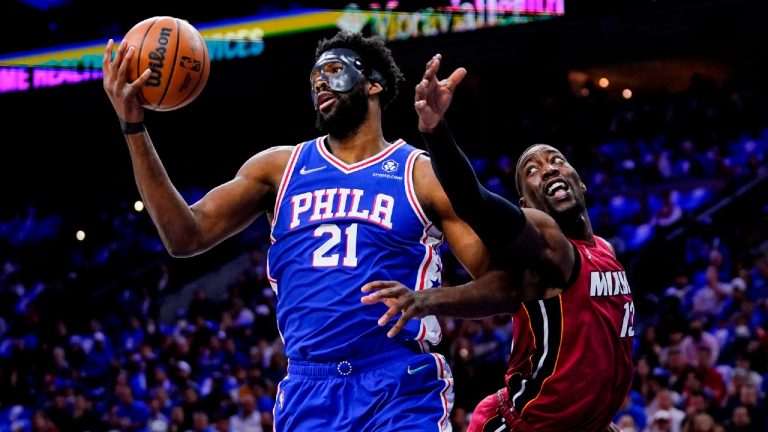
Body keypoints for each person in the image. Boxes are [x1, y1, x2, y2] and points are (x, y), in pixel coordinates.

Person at [102, 30, 489, 431]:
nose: (320, 81)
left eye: (334, 70)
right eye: (314, 77)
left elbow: (499, 284)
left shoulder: (420, 174)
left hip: (397, 382)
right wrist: (134, 127)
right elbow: (184, 236)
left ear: (373, 84)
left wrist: (429, 300)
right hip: (308, 388)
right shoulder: (278, 168)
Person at [361, 54, 635, 431]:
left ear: (580, 181)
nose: (548, 169)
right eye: (532, 171)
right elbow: (475, 201)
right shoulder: (550, 245)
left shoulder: (604, 249)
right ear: (526, 206)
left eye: (555, 160)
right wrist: (436, 131)